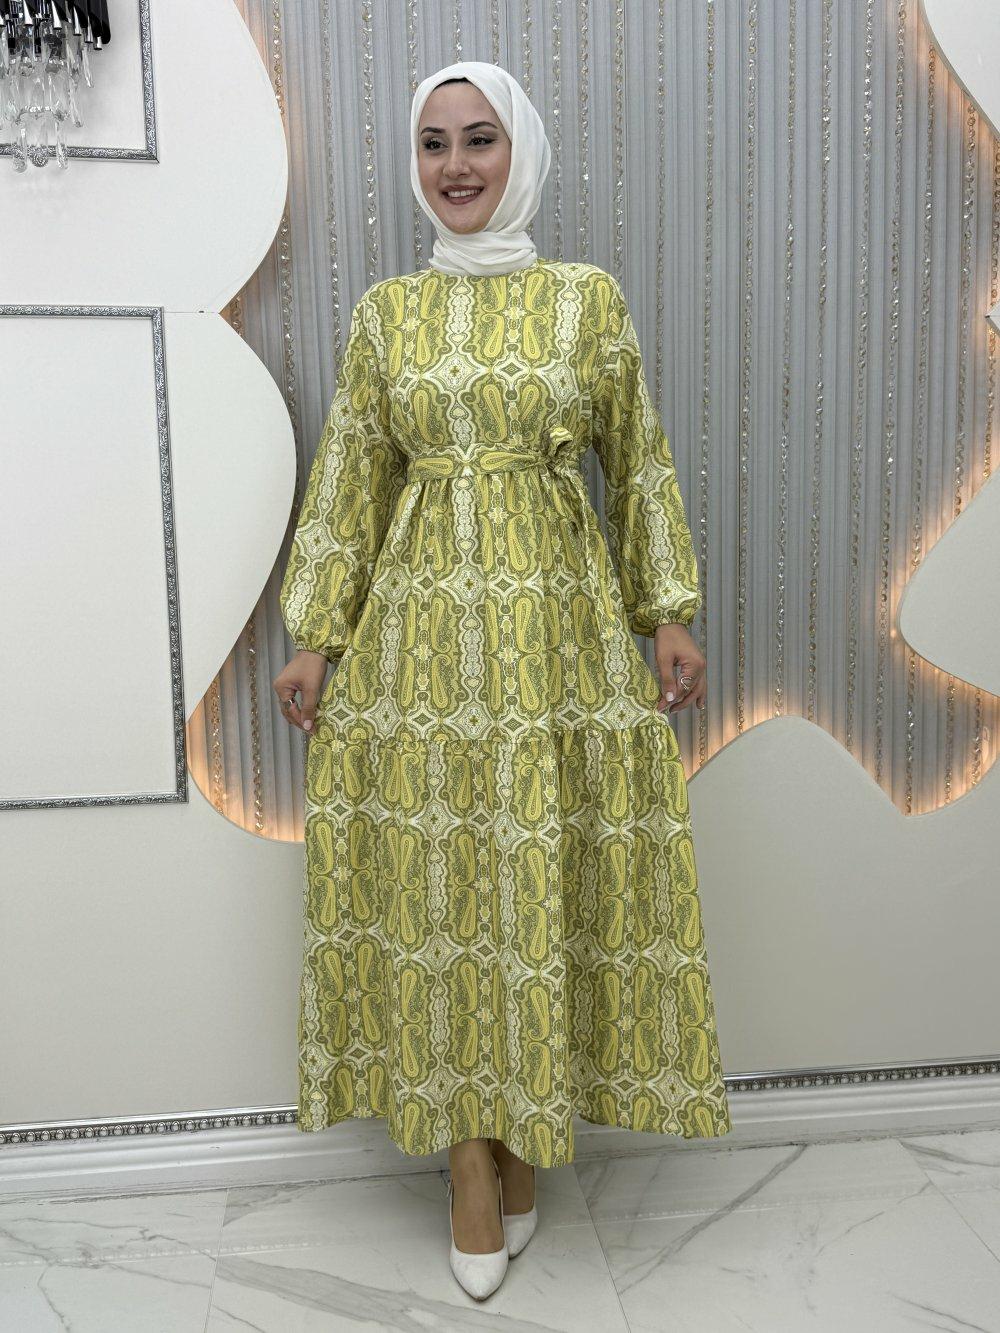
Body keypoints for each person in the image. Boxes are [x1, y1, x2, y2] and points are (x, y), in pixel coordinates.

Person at [274, 59, 731, 1301]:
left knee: (536, 879)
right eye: (434, 144)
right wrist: (316, 633)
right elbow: (349, 476)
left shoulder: (586, 299)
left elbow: (638, 460)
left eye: (478, 139)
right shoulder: (386, 315)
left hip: (554, 639)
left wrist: (666, 611)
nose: (456, 165)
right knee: (442, 894)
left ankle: (525, 1135)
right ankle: (470, 1167)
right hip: (416, 647)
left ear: (518, 150)